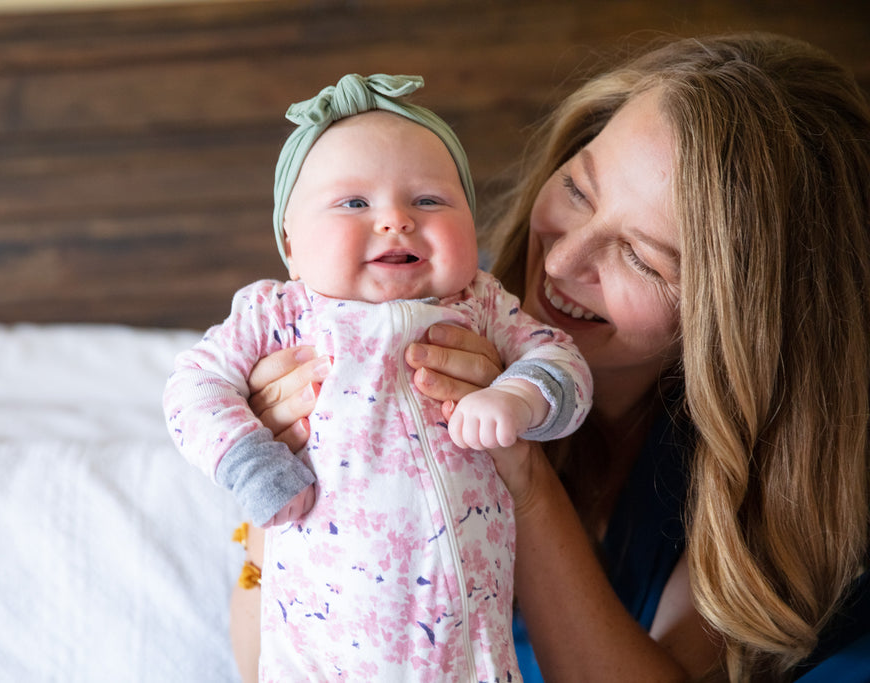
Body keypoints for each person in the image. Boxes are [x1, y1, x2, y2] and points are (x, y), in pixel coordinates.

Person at [238, 33, 870, 682]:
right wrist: (286, 458)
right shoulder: (428, 315)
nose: (563, 264)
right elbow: (262, 660)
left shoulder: (771, 493)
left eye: (642, 258)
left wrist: (526, 476)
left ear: (745, 321)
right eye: (577, 189)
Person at [164, 74, 592, 681]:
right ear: (290, 239)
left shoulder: (484, 307)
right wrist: (252, 462)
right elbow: (193, 389)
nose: (395, 220)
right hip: (317, 654)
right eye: (354, 203)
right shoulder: (279, 316)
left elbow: (564, 364)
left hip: (467, 657)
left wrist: (520, 396)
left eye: (430, 201)